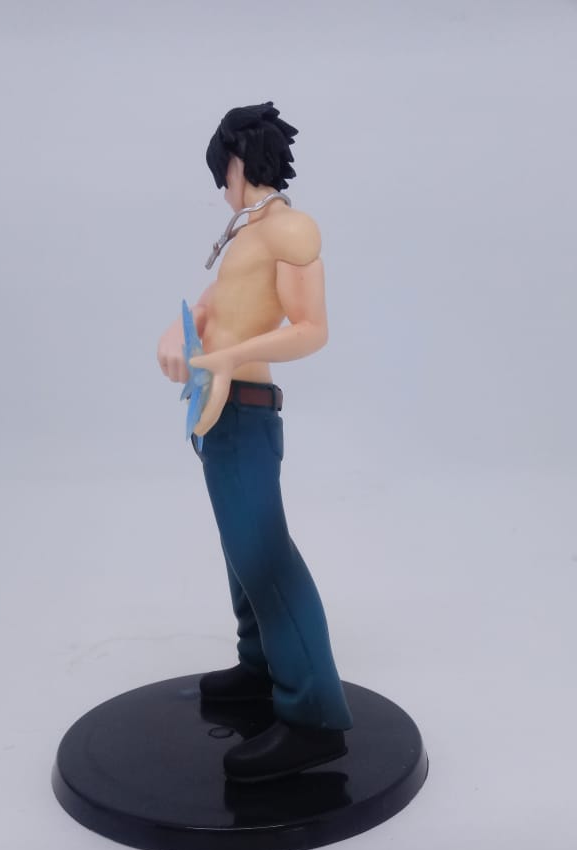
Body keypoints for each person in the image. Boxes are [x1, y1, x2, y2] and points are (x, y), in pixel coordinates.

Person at [156, 102, 353, 782]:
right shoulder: (248, 233)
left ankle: (314, 717)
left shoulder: (289, 229)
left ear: (238, 164)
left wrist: (229, 358)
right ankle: (261, 665)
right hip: (217, 408)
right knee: (239, 552)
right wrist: (180, 333)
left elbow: (312, 328)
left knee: (265, 557)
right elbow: (214, 306)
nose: (222, 189)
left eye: (223, 175)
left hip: (244, 408)